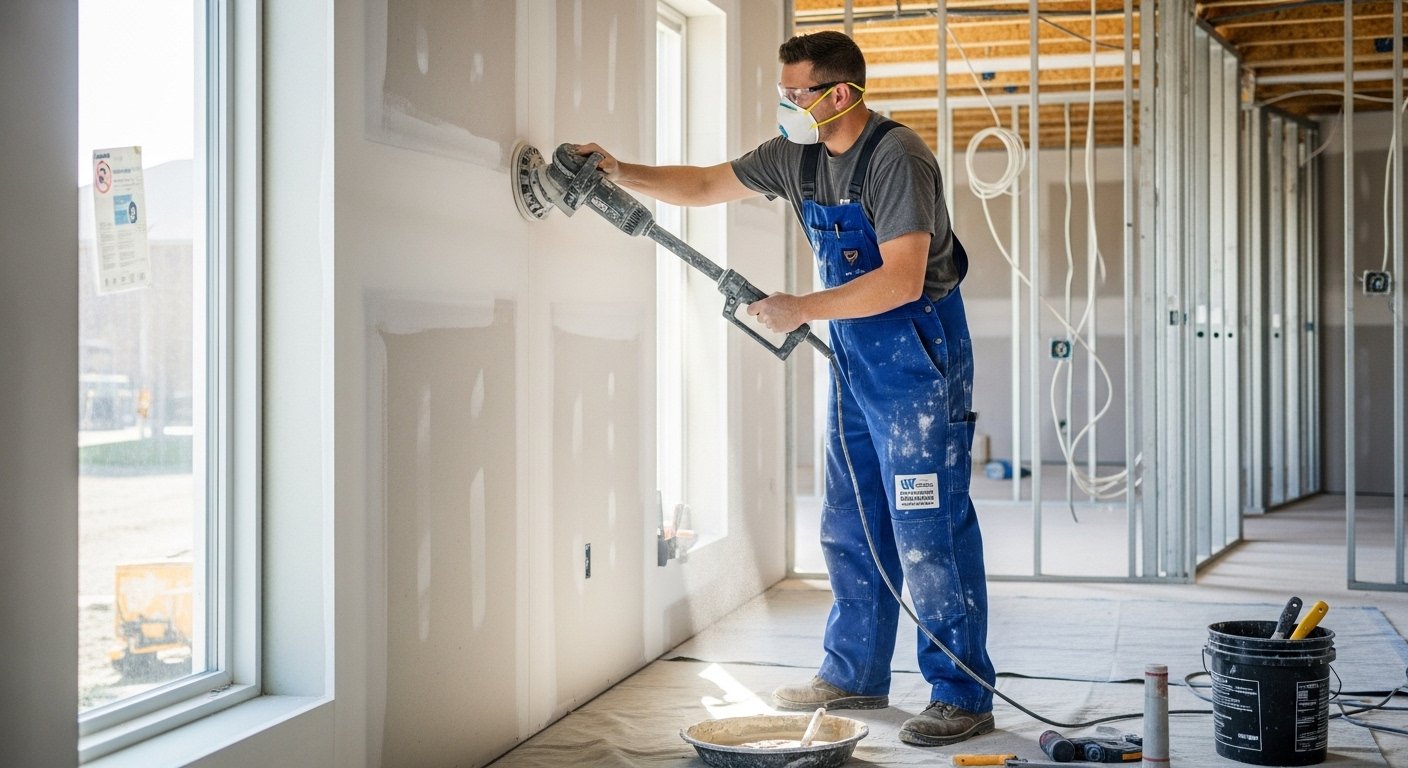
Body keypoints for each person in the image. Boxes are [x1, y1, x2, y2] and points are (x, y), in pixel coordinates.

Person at [575, 29, 996, 747]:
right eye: (784, 92)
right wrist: (619, 170)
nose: (787, 104)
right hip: (857, 352)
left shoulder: (897, 158)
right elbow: (708, 183)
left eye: (798, 93)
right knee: (850, 515)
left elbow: (899, 279)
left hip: (919, 354)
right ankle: (856, 671)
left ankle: (961, 693)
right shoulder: (794, 156)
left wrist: (799, 306)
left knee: (926, 527)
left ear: (840, 93)